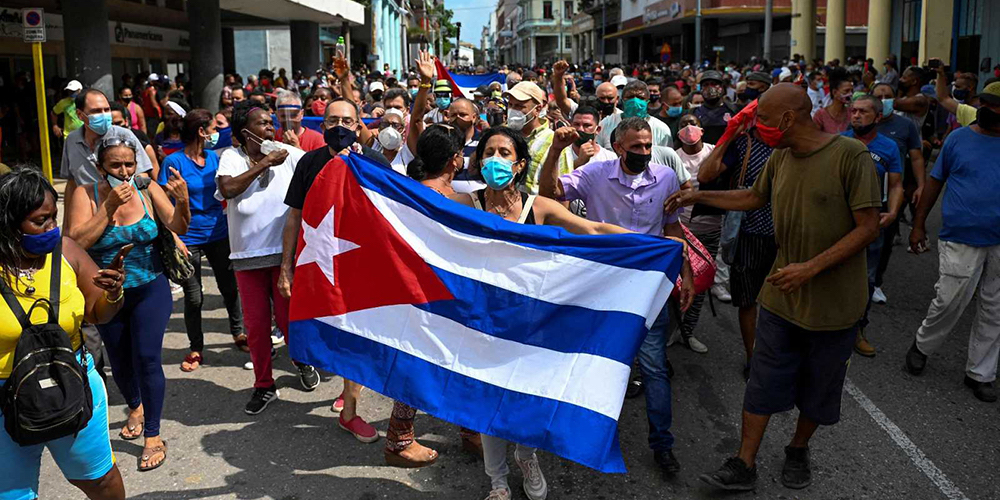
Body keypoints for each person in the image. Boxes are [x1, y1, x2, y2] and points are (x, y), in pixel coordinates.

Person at [668, 83, 881, 491]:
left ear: (786, 119)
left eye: (762, 119)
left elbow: (869, 227)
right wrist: (697, 195)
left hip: (835, 305)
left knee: (819, 387)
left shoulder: (849, 155)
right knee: (763, 379)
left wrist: (811, 268)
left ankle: (798, 448)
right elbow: (752, 197)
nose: (758, 126)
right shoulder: (782, 157)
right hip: (782, 297)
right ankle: (744, 463)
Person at [454, 126, 655, 500]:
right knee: (488, 401)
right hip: (484, 320)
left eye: (503, 153)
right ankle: (497, 481)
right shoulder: (465, 205)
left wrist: (650, 246)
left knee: (529, 396)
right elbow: (416, 211)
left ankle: (527, 457)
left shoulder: (539, 207)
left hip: (533, 322)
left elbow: (593, 228)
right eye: (488, 152)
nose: (495, 160)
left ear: (519, 164)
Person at [538, 117, 695, 477]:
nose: (643, 152)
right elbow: (551, 194)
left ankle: (662, 445)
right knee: (587, 361)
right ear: (618, 146)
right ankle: (575, 434)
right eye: (635, 146)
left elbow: (673, 229)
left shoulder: (666, 178)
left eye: (647, 146)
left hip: (648, 286)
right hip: (601, 284)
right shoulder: (595, 174)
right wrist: (557, 150)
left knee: (654, 367)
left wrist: (684, 272)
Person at [65, 134, 191, 472]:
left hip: (151, 286)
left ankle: (153, 434)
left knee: (148, 358)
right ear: (100, 167)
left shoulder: (147, 189)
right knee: (119, 362)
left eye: (129, 165)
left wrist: (183, 201)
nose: (123, 172)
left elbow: (176, 224)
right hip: (107, 293)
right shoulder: (84, 192)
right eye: (115, 166)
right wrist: (108, 208)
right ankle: (135, 404)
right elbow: (75, 242)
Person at [0, 168, 127, 499]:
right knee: (12, 494)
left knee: (100, 480)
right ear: (9, 224)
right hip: (6, 400)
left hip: (72, 385)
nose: (51, 228)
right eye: (40, 221)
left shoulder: (67, 251)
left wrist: (113, 293)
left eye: (53, 217)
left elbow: (98, 313)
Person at [280, 97, 390, 444]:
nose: (339, 127)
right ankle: (346, 386)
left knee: (356, 334)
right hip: (319, 263)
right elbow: (294, 216)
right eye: (331, 121)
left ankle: (349, 409)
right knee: (327, 331)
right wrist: (286, 268)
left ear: (359, 125)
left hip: (361, 265)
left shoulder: (372, 162)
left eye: (347, 120)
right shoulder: (308, 163)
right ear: (321, 125)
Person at [215, 100, 321, 414]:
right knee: (257, 327)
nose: (270, 128)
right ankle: (264, 385)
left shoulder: (285, 152)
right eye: (262, 123)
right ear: (246, 133)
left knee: (290, 322)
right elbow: (229, 189)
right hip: (246, 258)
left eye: (270, 121)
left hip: (283, 256)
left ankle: (301, 362)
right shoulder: (231, 158)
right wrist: (264, 163)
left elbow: (319, 165)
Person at [905, 85, 1000, 403]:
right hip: (961, 237)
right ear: (978, 105)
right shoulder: (958, 139)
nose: (993, 111)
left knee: (995, 309)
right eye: (987, 104)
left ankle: (980, 373)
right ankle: (923, 345)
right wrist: (918, 225)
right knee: (949, 300)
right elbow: (935, 183)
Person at [697, 95, 777, 379]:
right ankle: (753, 357)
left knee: (786, 301)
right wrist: (730, 134)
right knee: (748, 300)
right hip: (750, 233)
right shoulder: (744, 143)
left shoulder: (793, 145)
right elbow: (705, 175)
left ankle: (783, 357)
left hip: (789, 234)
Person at [160, 109, 245, 372]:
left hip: (218, 233)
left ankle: (239, 333)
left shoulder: (213, 158)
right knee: (194, 297)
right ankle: (196, 347)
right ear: (201, 131)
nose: (215, 133)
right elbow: (163, 203)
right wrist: (174, 237)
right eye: (212, 127)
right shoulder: (173, 162)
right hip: (188, 237)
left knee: (230, 288)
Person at [841, 95, 903, 357]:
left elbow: (897, 184)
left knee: (865, 279)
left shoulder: (889, 147)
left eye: (863, 112)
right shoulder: (838, 141)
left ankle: (857, 330)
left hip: (871, 224)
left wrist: (892, 212)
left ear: (878, 117)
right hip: (837, 222)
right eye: (853, 111)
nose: (856, 115)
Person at [870, 82, 925, 305]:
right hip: (861, 192)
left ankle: (875, 283)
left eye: (888, 96)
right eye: (879, 95)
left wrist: (921, 185)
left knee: (885, 239)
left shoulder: (905, 126)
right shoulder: (860, 123)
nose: (884, 100)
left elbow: (917, 157)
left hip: (893, 191)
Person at [671, 114, 715, 353]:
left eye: (694, 123)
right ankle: (673, 327)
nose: (689, 128)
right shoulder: (673, 158)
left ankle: (688, 332)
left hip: (710, 227)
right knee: (678, 283)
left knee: (701, 284)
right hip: (681, 228)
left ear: (702, 129)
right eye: (683, 125)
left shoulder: (713, 152)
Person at [503, 81, 553, 195]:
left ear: (537, 109)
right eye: (510, 105)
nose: (513, 111)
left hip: (536, 209)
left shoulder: (553, 141)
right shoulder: (501, 135)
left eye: (519, 106)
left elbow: (562, 190)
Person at [595, 80, 673, 150]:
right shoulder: (606, 124)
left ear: (647, 102)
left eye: (640, 98)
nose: (635, 101)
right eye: (630, 97)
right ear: (622, 101)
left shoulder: (661, 129)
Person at [111, 102, 161, 181]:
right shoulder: (98, 148)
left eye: (118, 123)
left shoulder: (145, 149)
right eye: (110, 125)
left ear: (126, 121)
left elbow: (157, 180)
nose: (115, 129)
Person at [691, 70, 739, 144]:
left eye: (714, 84)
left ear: (722, 88)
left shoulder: (735, 110)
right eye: (706, 85)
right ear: (700, 89)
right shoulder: (694, 113)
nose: (710, 88)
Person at [812, 68, 853, 134]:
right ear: (834, 92)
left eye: (852, 91)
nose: (850, 94)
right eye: (846, 91)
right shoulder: (820, 115)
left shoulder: (852, 113)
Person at [892, 66, 931, 133]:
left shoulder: (921, 100)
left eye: (904, 78)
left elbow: (894, 104)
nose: (900, 80)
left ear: (914, 81)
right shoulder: (904, 98)